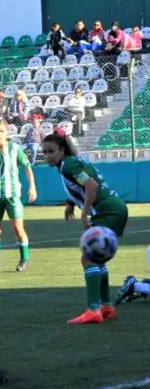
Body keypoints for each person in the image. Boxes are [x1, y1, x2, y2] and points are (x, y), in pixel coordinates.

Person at [41, 132, 129, 324]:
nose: (47, 155)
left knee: (88, 257)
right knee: (97, 258)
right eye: (44, 152)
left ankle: (93, 310)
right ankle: (106, 307)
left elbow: (91, 185)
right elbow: (81, 184)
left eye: (51, 151)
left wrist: (84, 212)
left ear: (62, 150)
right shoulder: (69, 163)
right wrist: (71, 204)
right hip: (114, 208)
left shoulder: (68, 166)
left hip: (107, 211)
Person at [0, 119, 37, 272]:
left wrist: (32, 186)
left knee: (18, 229)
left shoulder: (15, 149)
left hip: (13, 195)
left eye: (1, 131)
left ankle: (24, 259)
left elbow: (27, 167)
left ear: (6, 132)